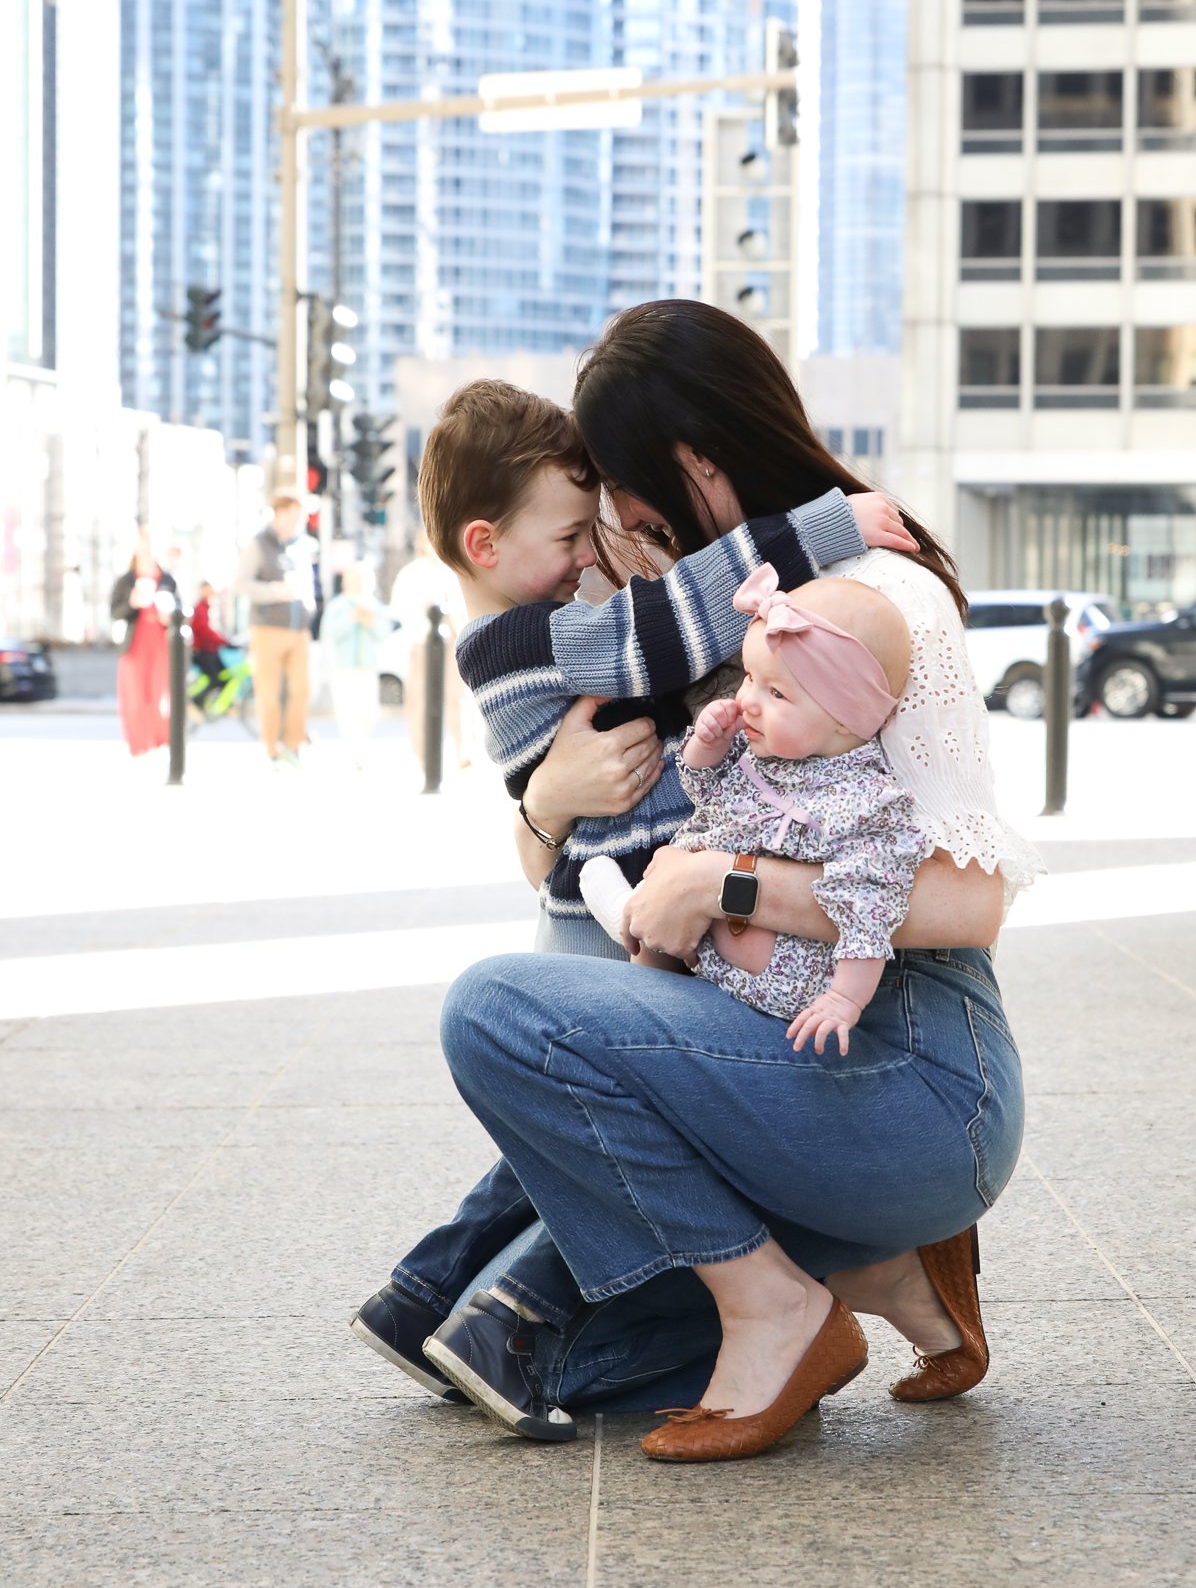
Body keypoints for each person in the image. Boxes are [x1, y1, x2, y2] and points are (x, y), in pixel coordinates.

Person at [428, 299, 1042, 1463]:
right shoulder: (729, 600)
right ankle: (872, 1272)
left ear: (696, 464)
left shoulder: (853, 603)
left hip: (902, 1068)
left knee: (497, 1012)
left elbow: (973, 903)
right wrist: (551, 797)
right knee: (522, 1352)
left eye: (632, 500)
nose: (619, 535)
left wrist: (725, 884)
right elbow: (557, 847)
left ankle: (785, 1298)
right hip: (787, 1037)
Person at [349, 377, 912, 1437]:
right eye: (567, 534)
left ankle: (429, 1291)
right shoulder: (531, 636)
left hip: (610, 885)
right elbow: (673, 620)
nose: (585, 551)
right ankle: (506, 1317)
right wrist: (830, 525)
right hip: (622, 908)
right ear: (484, 542)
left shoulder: (533, 623)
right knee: (615, 1109)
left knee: (577, 1110)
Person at [582, 567, 925, 1060]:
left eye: (776, 693)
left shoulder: (863, 801)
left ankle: (629, 919)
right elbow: (705, 794)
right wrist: (707, 747)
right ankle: (640, 924)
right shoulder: (765, 750)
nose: (747, 702)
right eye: (749, 677)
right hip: (704, 937)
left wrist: (845, 999)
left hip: (780, 977)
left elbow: (869, 906)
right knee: (662, 918)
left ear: (844, 716)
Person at [235, 493, 316, 766]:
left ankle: (293, 746)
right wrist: (273, 591)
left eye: (301, 517)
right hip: (267, 628)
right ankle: (271, 749)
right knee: (268, 693)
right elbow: (241, 583)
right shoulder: (258, 545)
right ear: (279, 514)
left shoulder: (301, 546)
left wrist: (309, 606)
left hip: (299, 629)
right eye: (294, 516)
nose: (298, 522)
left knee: (301, 690)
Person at [388, 530, 469, 773]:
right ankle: (422, 753)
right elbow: (400, 607)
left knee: (458, 698)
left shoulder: (453, 571)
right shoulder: (413, 573)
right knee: (419, 699)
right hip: (423, 642)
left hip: (453, 641)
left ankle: (462, 748)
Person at [110, 532, 178, 758]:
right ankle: (139, 745)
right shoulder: (126, 580)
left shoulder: (167, 580)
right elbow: (115, 611)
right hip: (135, 645)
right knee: (135, 697)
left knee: (161, 696)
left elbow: (181, 611)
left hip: (161, 644)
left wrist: (169, 617)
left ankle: (161, 742)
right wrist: (133, 603)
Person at [318, 563, 392, 769]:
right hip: (343, 668)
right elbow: (329, 632)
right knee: (348, 713)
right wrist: (352, 618)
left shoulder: (373, 605)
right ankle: (355, 754)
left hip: (368, 667)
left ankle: (360, 747)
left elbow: (384, 633)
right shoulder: (338, 606)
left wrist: (370, 622)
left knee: (369, 712)